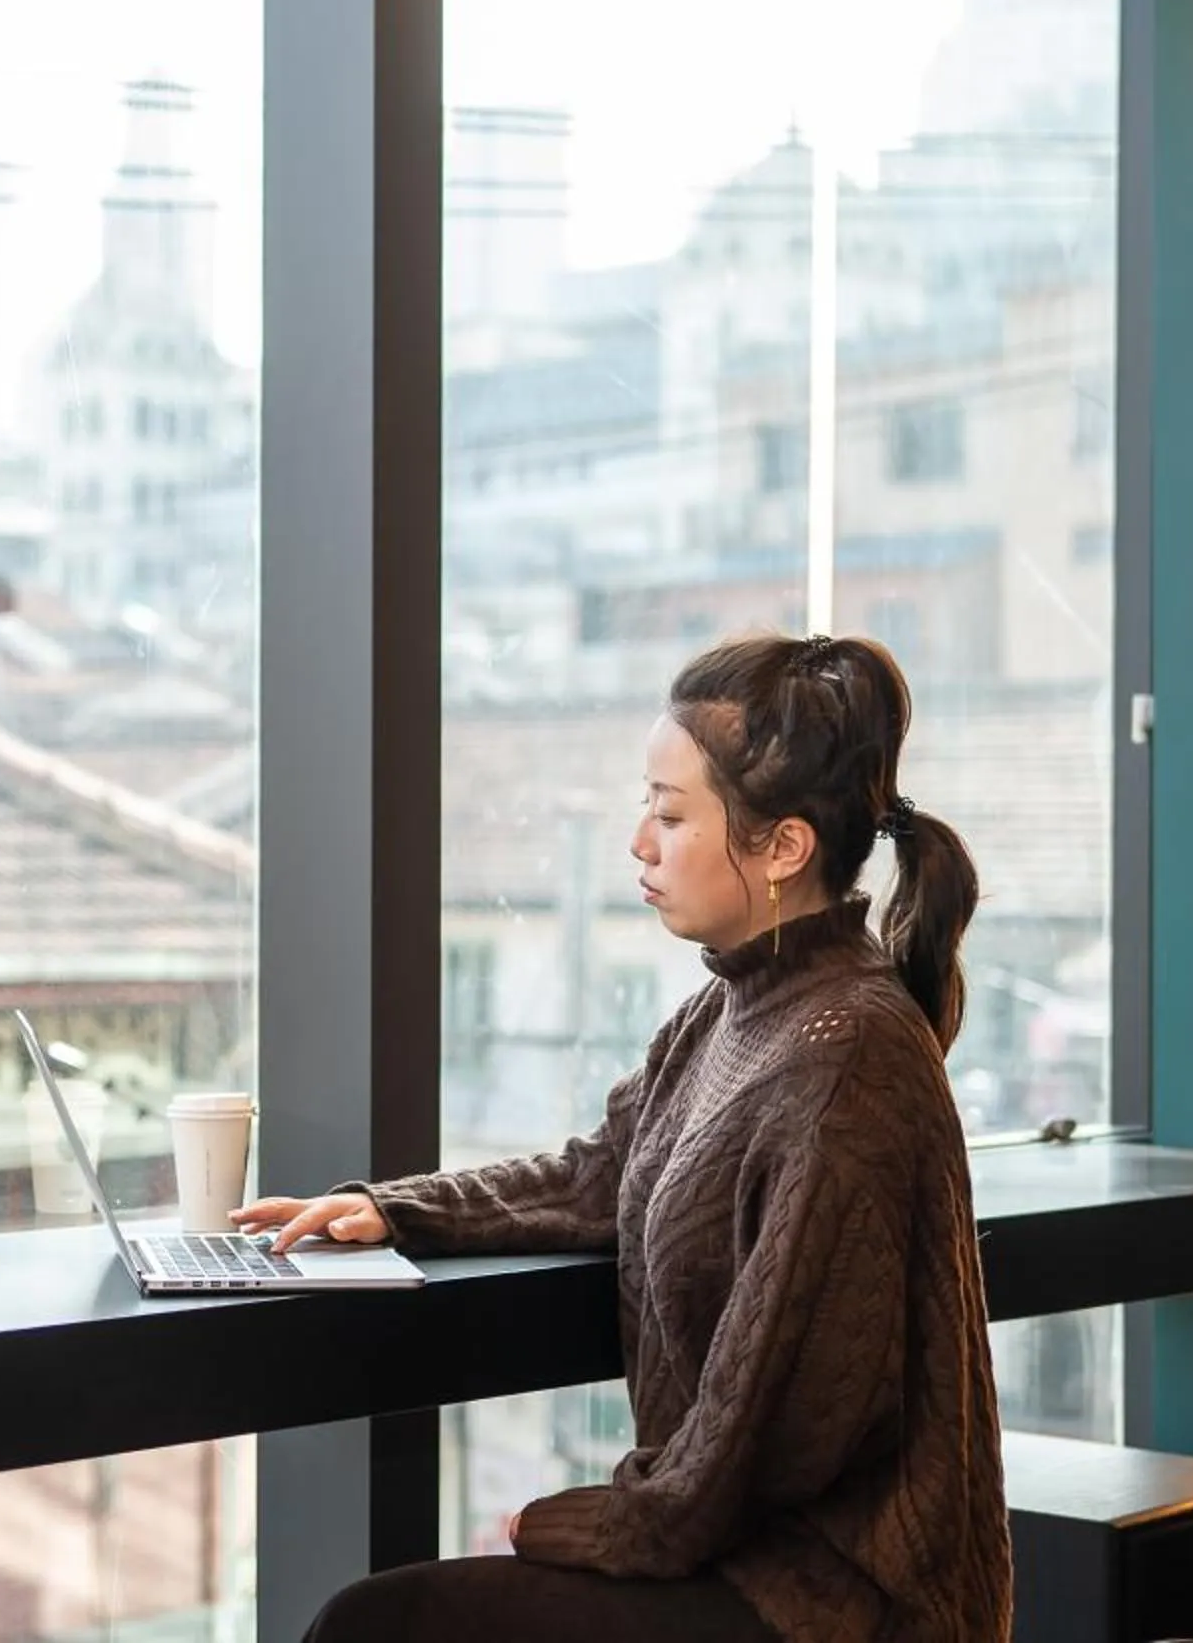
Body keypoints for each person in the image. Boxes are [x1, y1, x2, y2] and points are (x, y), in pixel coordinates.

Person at [239, 634, 1010, 1642]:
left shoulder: (848, 1059)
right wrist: (391, 1208)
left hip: (824, 1603)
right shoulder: (734, 1008)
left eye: (671, 810)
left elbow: (760, 1430)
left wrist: (577, 1524)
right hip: (736, 1555)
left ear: (783, 848)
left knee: (379, 1625)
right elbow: (599, 1173)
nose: (640, 841)